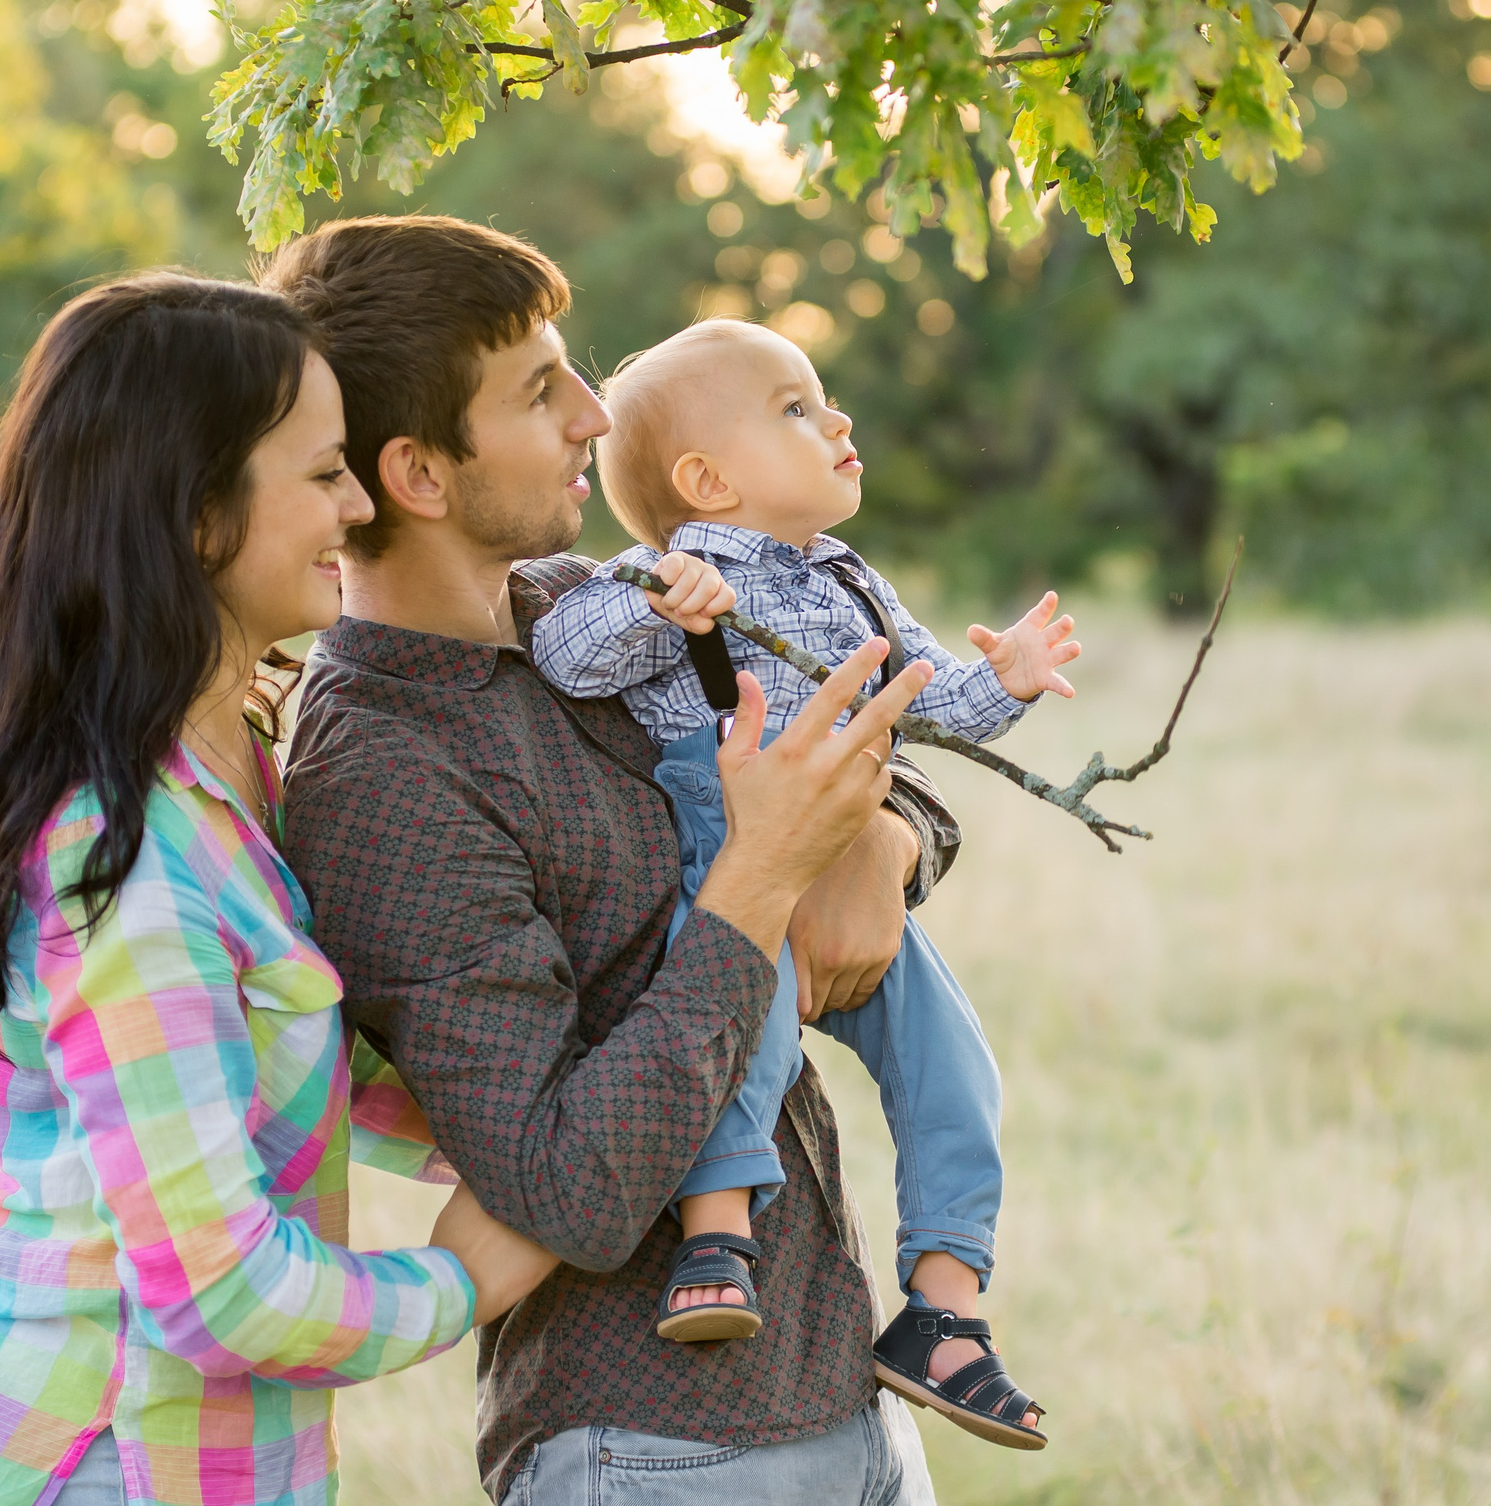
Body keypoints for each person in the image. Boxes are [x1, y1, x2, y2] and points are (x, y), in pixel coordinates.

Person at [259, 217, 963, 1504]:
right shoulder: (379, 771)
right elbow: (564, 1183)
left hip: (846, 1394)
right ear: (417, 470)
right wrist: (763, 877)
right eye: (540, 389)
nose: (595, 414)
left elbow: (856, 740)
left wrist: (884, 838)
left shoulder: (590, 605)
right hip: (651, 1449)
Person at [0, 273, 556, 1506]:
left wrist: (550, 1129)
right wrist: (461, 1280)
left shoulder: (230, 766)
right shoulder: (122, 859)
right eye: (324, 471)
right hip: (91, 1458)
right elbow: (218, 1285)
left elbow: (297, 1048)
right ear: (195, 515)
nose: (358, 499)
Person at [529, 316, 1069, 1448]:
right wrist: (655, 606)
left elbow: (925, 705)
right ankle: (715, 1235)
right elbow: (568, 652)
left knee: (953, 1061)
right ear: (705, 480)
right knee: (748, 1028)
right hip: (740, 858)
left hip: (847, 845)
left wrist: (1003, 681)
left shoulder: (849, 581)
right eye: (795, 408)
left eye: (824, 399)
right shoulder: (671, 569)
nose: (838, 421)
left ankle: (945, 1306)